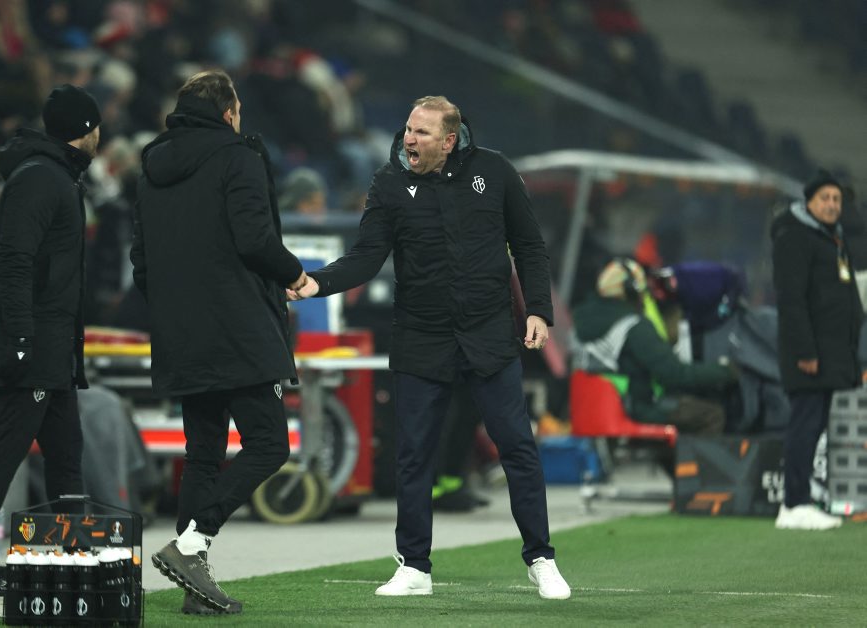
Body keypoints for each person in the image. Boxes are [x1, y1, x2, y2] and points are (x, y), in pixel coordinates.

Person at [291, 95, 570, 600]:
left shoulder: (495, 172)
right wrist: (318, 283)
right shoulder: (388, 183)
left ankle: (541, 559)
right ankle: (414, 567)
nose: (409, 139)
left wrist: (537, 310)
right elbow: (367, 256)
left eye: (421, 132)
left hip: (488, 334)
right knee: (414, 454)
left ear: (449, 140)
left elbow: (529, 245)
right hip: (421, 336)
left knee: (517, 447)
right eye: (407, 129)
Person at [132, 69, 309, 615]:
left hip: (180, 332)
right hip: (238, 326)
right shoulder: (239, 158)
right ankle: (192, 543)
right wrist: (294, 274)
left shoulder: (152, 166)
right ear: (229, 113)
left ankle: (196, 590)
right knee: (270, 444)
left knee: (203, 456)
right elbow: (255, 239)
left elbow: (141, 261)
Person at [0, 84, 101, 596]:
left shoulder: (57, 177)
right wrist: (20, 339)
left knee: (66, 453)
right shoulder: (40, 179)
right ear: (86, 130)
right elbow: (12, 263)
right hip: (33, 342)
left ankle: (72, 557)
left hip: (53, 345)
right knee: (7, 449)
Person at [771, 169, 862, 531]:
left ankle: (801, 500)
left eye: (836, 199)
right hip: (808, 355)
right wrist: (805, 352)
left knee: (813, 427)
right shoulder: (794, 237)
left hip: (828, 353)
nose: (832, 204)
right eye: (825, 198)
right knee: (804, 426)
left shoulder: (831, 238)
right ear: (808, 201)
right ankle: (793, 504)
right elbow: (791, 300)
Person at [571, 258, 736, 435]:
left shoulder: (579, 325)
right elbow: (675, 374)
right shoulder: (633, 327)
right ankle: (677, 455)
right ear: (632, 292)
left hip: (587, 414)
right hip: (633, 410)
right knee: (711, 414)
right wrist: (726, 371)